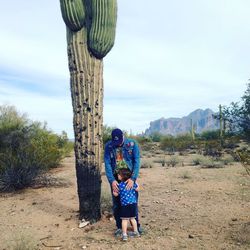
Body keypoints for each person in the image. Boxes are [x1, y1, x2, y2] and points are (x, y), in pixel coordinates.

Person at [104, 128, 141, 237]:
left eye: (119, 141)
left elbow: (137, 160)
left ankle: (136, 227)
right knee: (117, 203)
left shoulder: (132, 144)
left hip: (129, 177)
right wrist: (112, 181)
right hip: (116, 177)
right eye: (115, 142)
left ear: (123, 136)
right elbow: (107, 163)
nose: (118, 144)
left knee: (133, 202)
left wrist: (133, 178)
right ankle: (120, 227)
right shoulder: (109, 146)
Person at [113, 168, 140, 241]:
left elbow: (115, 194)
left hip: (125, 205)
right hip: (133, 204)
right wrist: (136, 182)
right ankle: (136, 232)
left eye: (119, 174)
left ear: (122, 176)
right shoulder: (132, 184)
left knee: (124, 220)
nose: (117, 175)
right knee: (133, 218)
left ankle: (124, 235)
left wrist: (113, 191)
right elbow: (137, 189)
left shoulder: (120, 185)